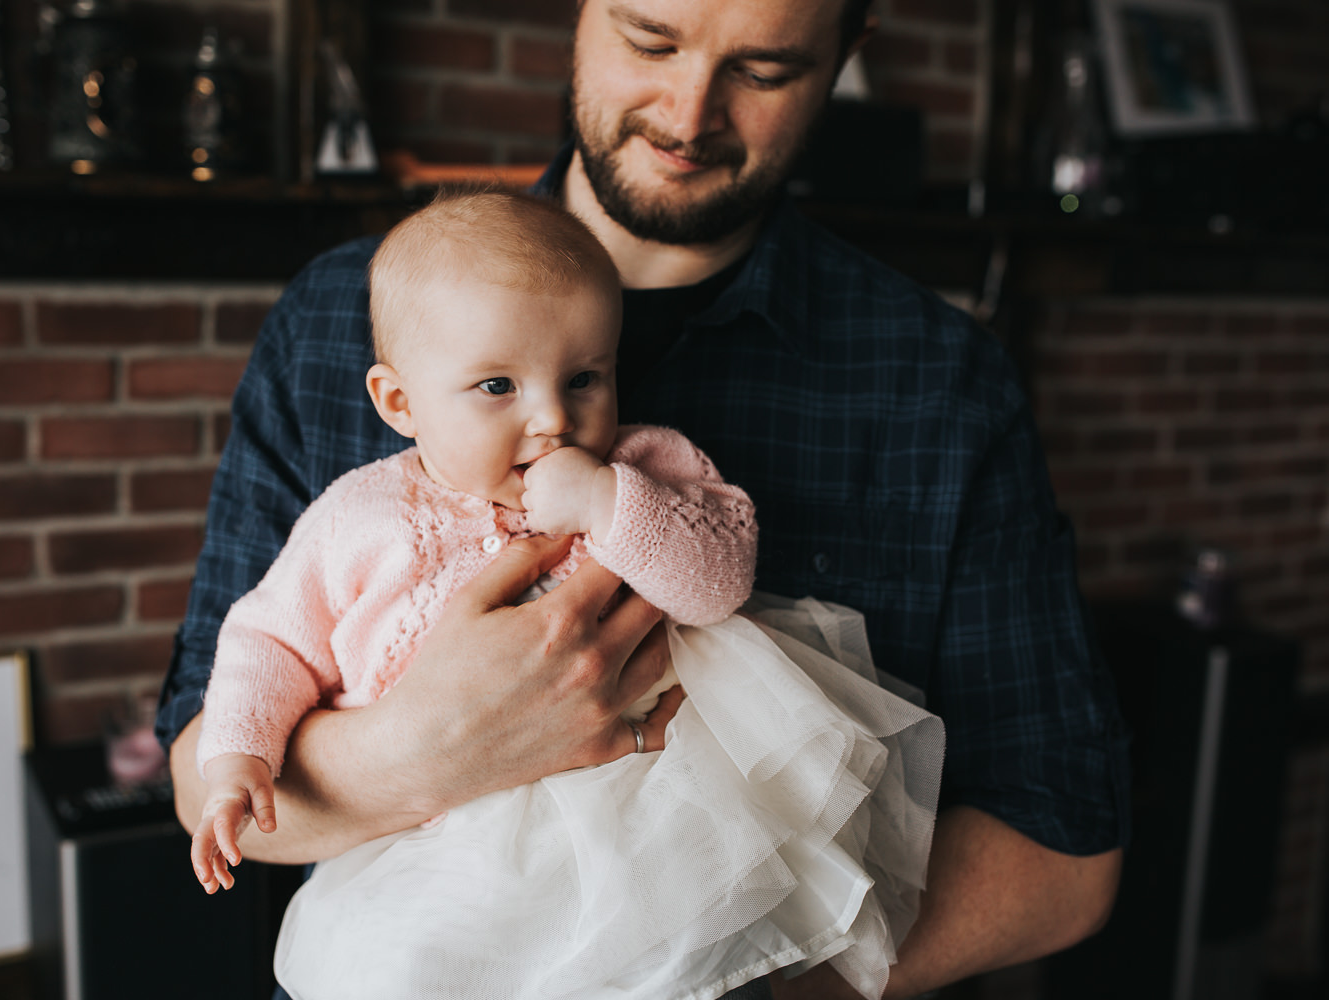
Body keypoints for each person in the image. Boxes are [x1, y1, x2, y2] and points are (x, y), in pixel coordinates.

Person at [158, 1, 1130, 996]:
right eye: (651, 40)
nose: (688, 111)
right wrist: (429, 752)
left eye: (763, 68)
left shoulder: (938, 384)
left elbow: (1064, 851)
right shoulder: (337, 319)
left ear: (847, 54)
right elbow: (210, 752)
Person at [190, 189, 942, 999]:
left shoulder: (645, 462)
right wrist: (239, 757)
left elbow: (721, 580)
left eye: (584, 377)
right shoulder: (354, 518)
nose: (552, 417)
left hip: (648, 815)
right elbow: (268, 641)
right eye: (496, 387)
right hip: (438, 847)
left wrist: (608, 504)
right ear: (398, 402)